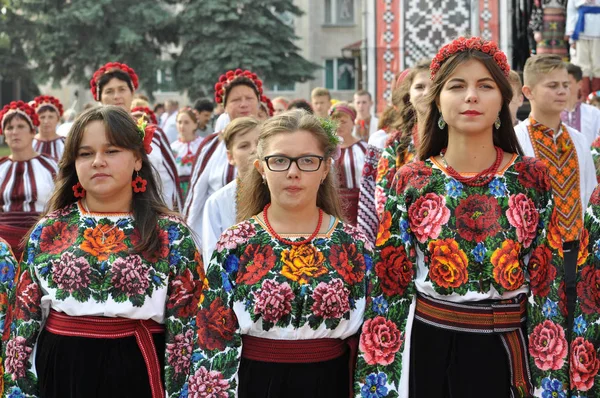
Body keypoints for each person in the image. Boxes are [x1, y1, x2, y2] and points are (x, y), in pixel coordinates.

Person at [357, 37, 569, 397]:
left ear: (503, 99)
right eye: (457, 86)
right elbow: (389, 289)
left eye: (485, 86)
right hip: (429, 347)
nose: (471, 96)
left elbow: (547, 285)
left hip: (507, 349)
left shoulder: (533, 178)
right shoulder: (411, 180)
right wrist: (378, 385)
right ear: (438, 100)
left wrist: (551, 383)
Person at [2, 106, 203, 398]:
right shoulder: (48, 231)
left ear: (137, 158)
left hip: (140, 371)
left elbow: (188, 333)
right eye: (85, 154)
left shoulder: (170, 235)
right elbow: (22, 328)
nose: (98, 162)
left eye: (111, 151)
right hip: (61, 373)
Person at [192, 109, 372, 397]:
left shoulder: (353, 245)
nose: (293, 172)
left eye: (307, 161)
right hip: (255, 383)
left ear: (325, 168)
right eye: (279, 160)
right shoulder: (236, 243)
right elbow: (212, 337)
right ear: (261, 168)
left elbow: (373, 339)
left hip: (331, 383)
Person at [517, 54, 596, 331]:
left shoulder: (579, 140)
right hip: (532, 256)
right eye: (552, 85)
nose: (562, 91)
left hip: (577, 252)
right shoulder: (515, 140)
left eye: (565, 84)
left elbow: (588, 196)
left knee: (577, 329)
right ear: (528, 92)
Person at [90, 62, 182, 211]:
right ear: (99, 97)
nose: (117, 96)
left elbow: (170, 182)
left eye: (122, 89)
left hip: (150, 216)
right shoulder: (88, 135)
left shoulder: (154, 134)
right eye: (109, 91)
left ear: (132, 92)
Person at [183, 68, 262, 241]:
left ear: (258, 102)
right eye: (236, 100)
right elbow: (196, 196)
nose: (243, 104)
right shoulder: (211, 146)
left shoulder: (273, 140)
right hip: (221, 236)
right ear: (224, 107)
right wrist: (189, 239)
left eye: (249, 98)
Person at [357, 61, 431, 245]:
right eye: (420, 87)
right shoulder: (394, 144)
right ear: (409, 96)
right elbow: (380, 202)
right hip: (404, 242)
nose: (427, 93)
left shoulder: (463, 139)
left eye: (435, 86)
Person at [0, 101, 58, 260]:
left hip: (41, 241)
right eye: (9, 128)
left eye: (20, 127)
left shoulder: (51, 166)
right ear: (4, 135)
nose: (14, 132)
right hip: (3, 247)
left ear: (33, 132)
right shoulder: (1, 167)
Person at [201, 117, 260, 263]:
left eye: (259, 144)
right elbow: (212, 258)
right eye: (244, 146)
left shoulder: (280, 194)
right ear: (230, 157)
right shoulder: (217, 202)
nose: (254, 150)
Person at [328, 102, 366, 225]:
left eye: (343, 121)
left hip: (359, 207)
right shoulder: (326, 149)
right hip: (332, 204)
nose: (339, 125)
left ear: (352, 123)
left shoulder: (365, 149)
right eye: (335, 122)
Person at [566, 0, 600, 99]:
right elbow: (571, 11)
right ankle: (584, 97)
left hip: (598, 28)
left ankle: (596, 98)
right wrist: (571, 35)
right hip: (580, 30)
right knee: (582, 65)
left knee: (598, 65)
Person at [561, 62, 600, 145]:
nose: (562, 88)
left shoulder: (594, 113)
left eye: (567, 83)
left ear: (580, 84)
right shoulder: (552, 113)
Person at [170, 107, 202, 198]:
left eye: (186, 122)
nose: (182, 126)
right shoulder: (173, 147)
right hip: (178, 190)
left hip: (198, 188)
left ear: (195, 125)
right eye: (179, 122)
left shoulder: (203, 145)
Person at [32, 95, 66, 160]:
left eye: (51, 117)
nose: (46, 121)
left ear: (58, 119)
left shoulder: (65, 143)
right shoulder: (29, 143)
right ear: (36, 119)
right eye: (42, 117)